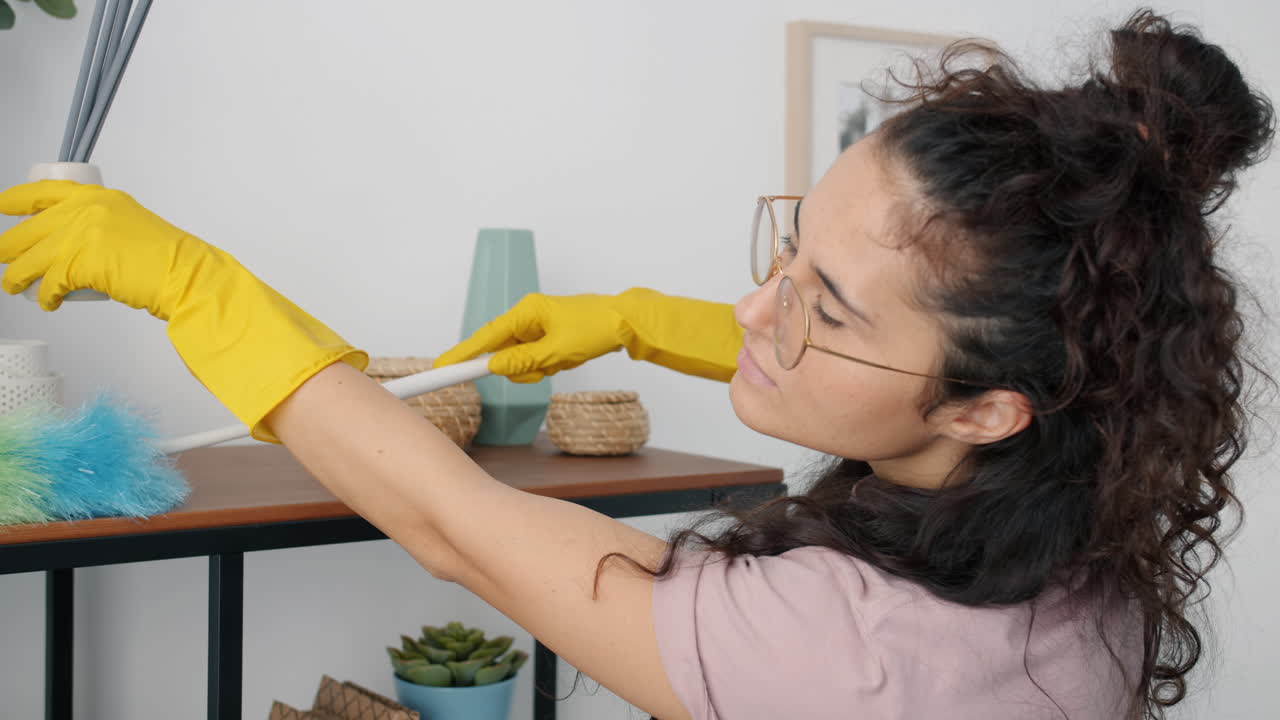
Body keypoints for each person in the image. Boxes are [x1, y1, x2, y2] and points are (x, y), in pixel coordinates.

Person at [0, 8, 1271, 719]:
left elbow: (456, 524)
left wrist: (192, 284)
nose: (751, 304)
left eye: (814, 304)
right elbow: (882, 380)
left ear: (990, 403)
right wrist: (633, 317)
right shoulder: (1077, 518)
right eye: (789, 243)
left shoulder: (850, 657)